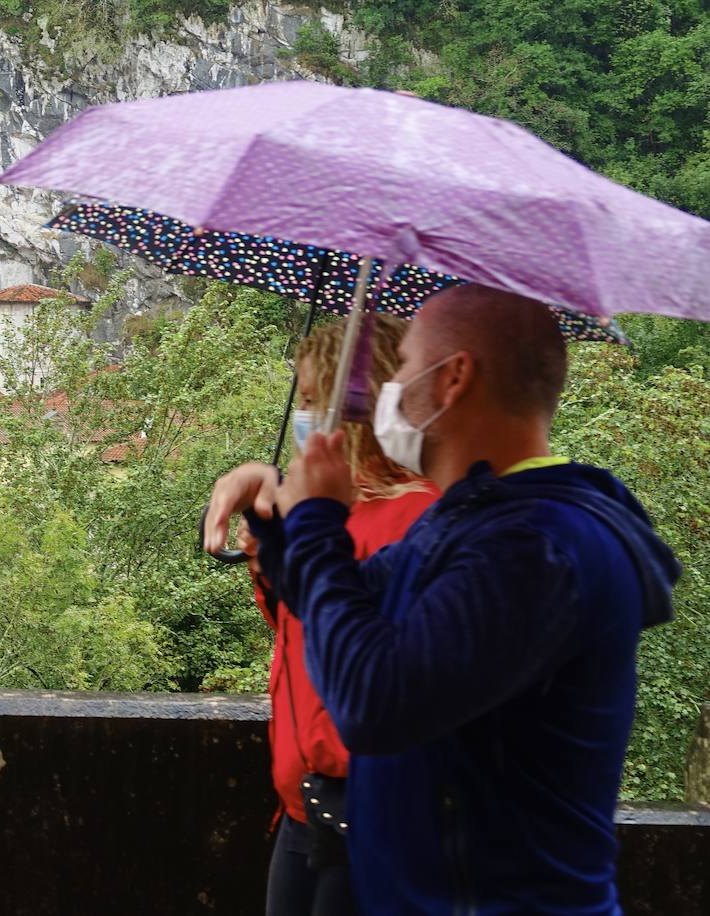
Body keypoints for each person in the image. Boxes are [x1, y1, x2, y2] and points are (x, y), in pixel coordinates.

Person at [204, 285, 680, 914]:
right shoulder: (473, 523)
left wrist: (319, 519)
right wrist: (279, 513)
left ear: (453, 377)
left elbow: (375, 702)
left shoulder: (535, 547)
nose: (389, 391)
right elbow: (352, 604)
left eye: (403, 368)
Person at [241, 316, 438, 916]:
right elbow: (300, 638)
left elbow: (366, 654)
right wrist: (269, 553)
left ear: (350, 403)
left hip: (366, 806)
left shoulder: (419, 518)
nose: (303, 417)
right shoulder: (329, 508)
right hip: (302, 803)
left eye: (310, 400)